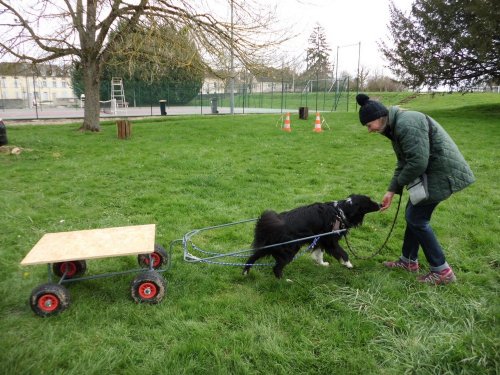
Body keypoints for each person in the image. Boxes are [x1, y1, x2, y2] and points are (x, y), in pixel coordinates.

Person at [356, 93, 475, 285]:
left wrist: (399, 184)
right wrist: (391, 190)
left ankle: (442, 271)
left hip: (441, 174)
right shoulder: (395, 126)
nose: (369, 130)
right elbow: (404, 162)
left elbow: (418, 163)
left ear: (379, 118)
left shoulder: (406, 124)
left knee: (417, 219)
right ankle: (409, 261)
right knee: (413, 215)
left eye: (369, 126)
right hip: (430, 173)